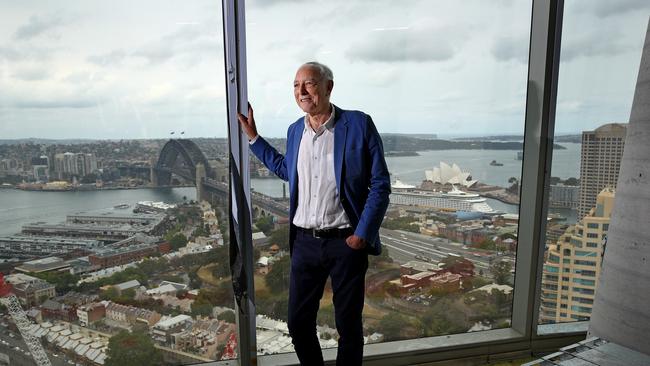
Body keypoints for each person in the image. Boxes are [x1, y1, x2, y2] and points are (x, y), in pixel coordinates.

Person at [238, 61, 390, 366]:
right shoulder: (295, 130)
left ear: (328, 87)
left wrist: (361, 234)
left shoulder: (358, 124)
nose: (302, 91)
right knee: (297, 323)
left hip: (345, 242)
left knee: (348, 327)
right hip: (305, 243)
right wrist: (254, 139)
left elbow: (380, 184)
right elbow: (286, 169)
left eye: (309, 83)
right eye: (296, 85)